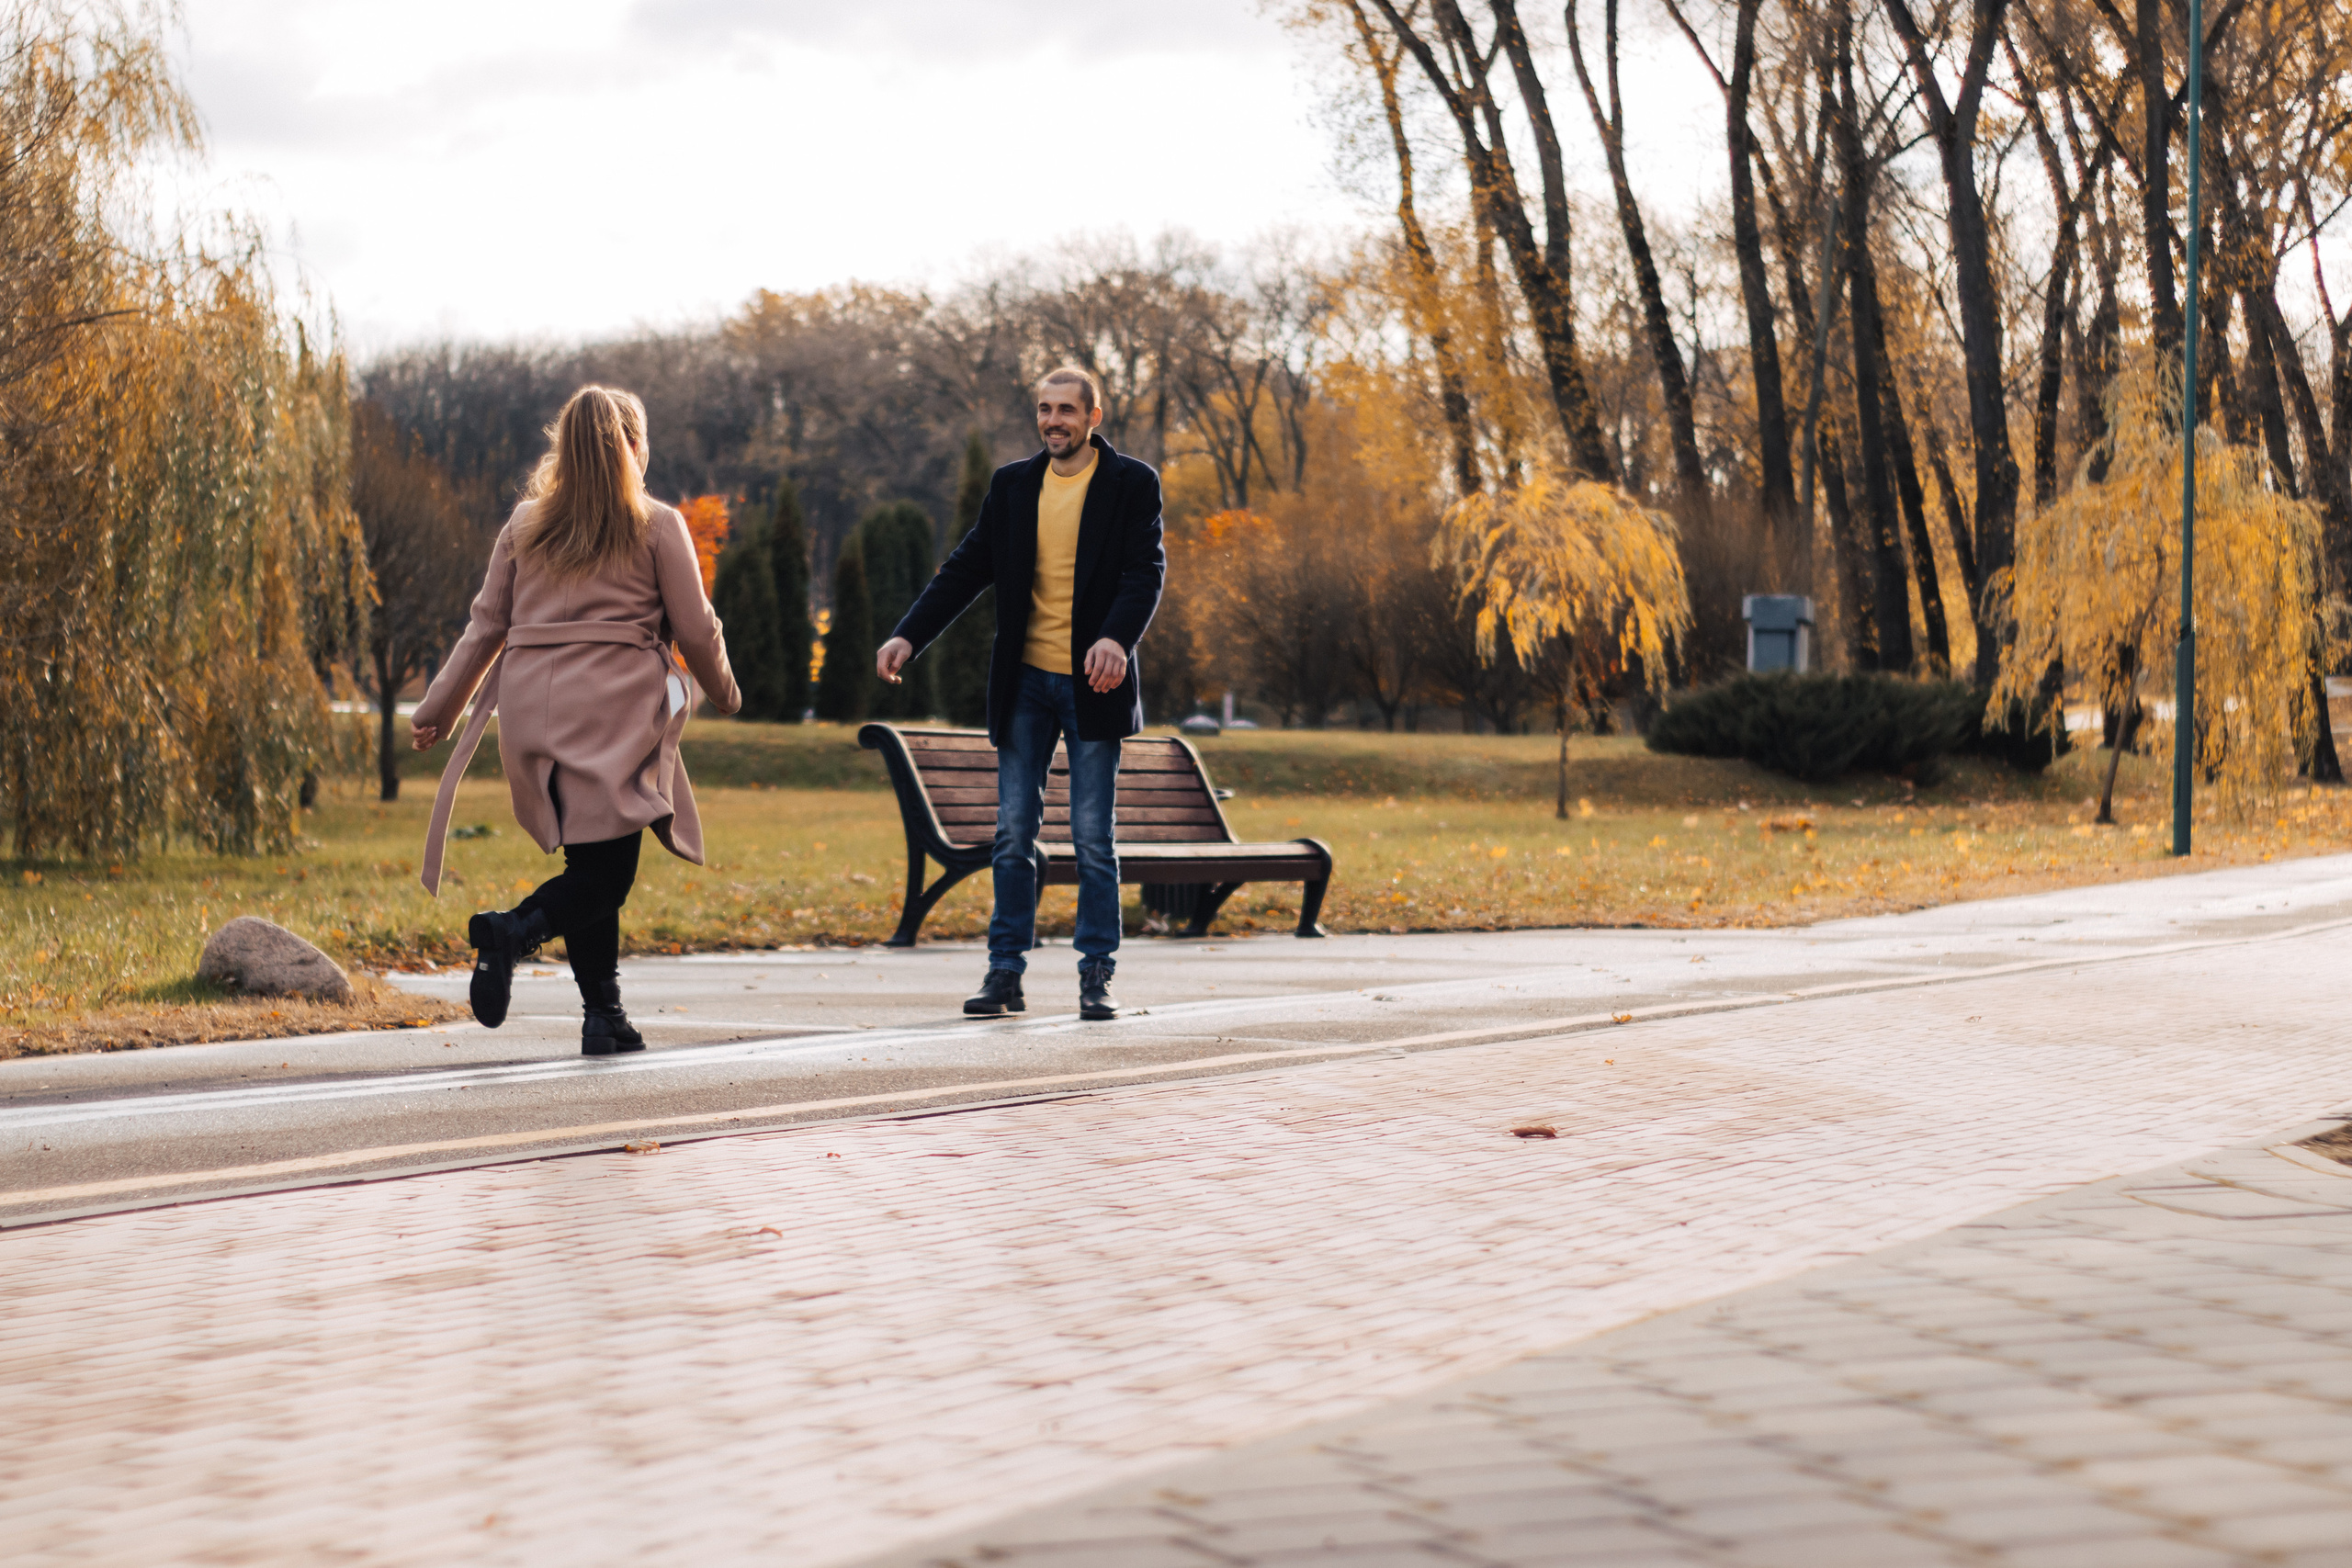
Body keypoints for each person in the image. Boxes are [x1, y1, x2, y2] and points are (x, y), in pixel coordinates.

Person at [410, 386, 740, 1055]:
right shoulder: (657, 524)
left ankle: (604, 1015)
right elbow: (697, 631)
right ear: (633, 447)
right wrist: (726, 693)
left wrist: (436, 709)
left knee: (591, 855)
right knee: (608, 874)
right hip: (612, 711)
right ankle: (511, 930)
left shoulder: (525, 524)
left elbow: (485, 628)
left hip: (531, 712)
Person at [877, 367, 1165, 1021]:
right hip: (1026, 684)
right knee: (1014, 833)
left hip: (1093, 681)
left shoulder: (1130, 483)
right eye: (1043, 409)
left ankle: (1097, 974)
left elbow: (1145, 569)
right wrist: (908, 636)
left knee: (1093, 836)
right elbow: (965, 568)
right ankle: (1004, 972)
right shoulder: (1013, 485)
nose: (1053, 420)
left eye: (1066, 409)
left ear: (1095, 415)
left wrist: (1117, 639)